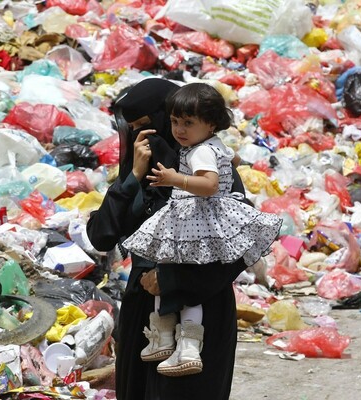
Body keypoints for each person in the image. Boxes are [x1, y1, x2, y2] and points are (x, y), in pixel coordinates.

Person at [86, 78, 251, 400]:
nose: (142, 136)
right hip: (144, 309)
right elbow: (102, 235)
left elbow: (238, 244)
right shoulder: (140, 168)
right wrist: (132, 177)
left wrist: (171, 279)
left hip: (199, 303)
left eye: (148, 124)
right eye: (133, 128)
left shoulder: (209, 171)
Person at [122, 82, 282, 377]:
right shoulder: (210, 147)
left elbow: (208, 185)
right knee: (178, 280)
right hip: (194, 232)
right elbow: (230, 159)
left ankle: (180, 343)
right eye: (173, 121)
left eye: (188, 123)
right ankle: (171, 339)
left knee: (183, 284)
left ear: (210, 124)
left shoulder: (199, 154)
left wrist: (175, 179)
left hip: (202, 258)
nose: (178, 130)